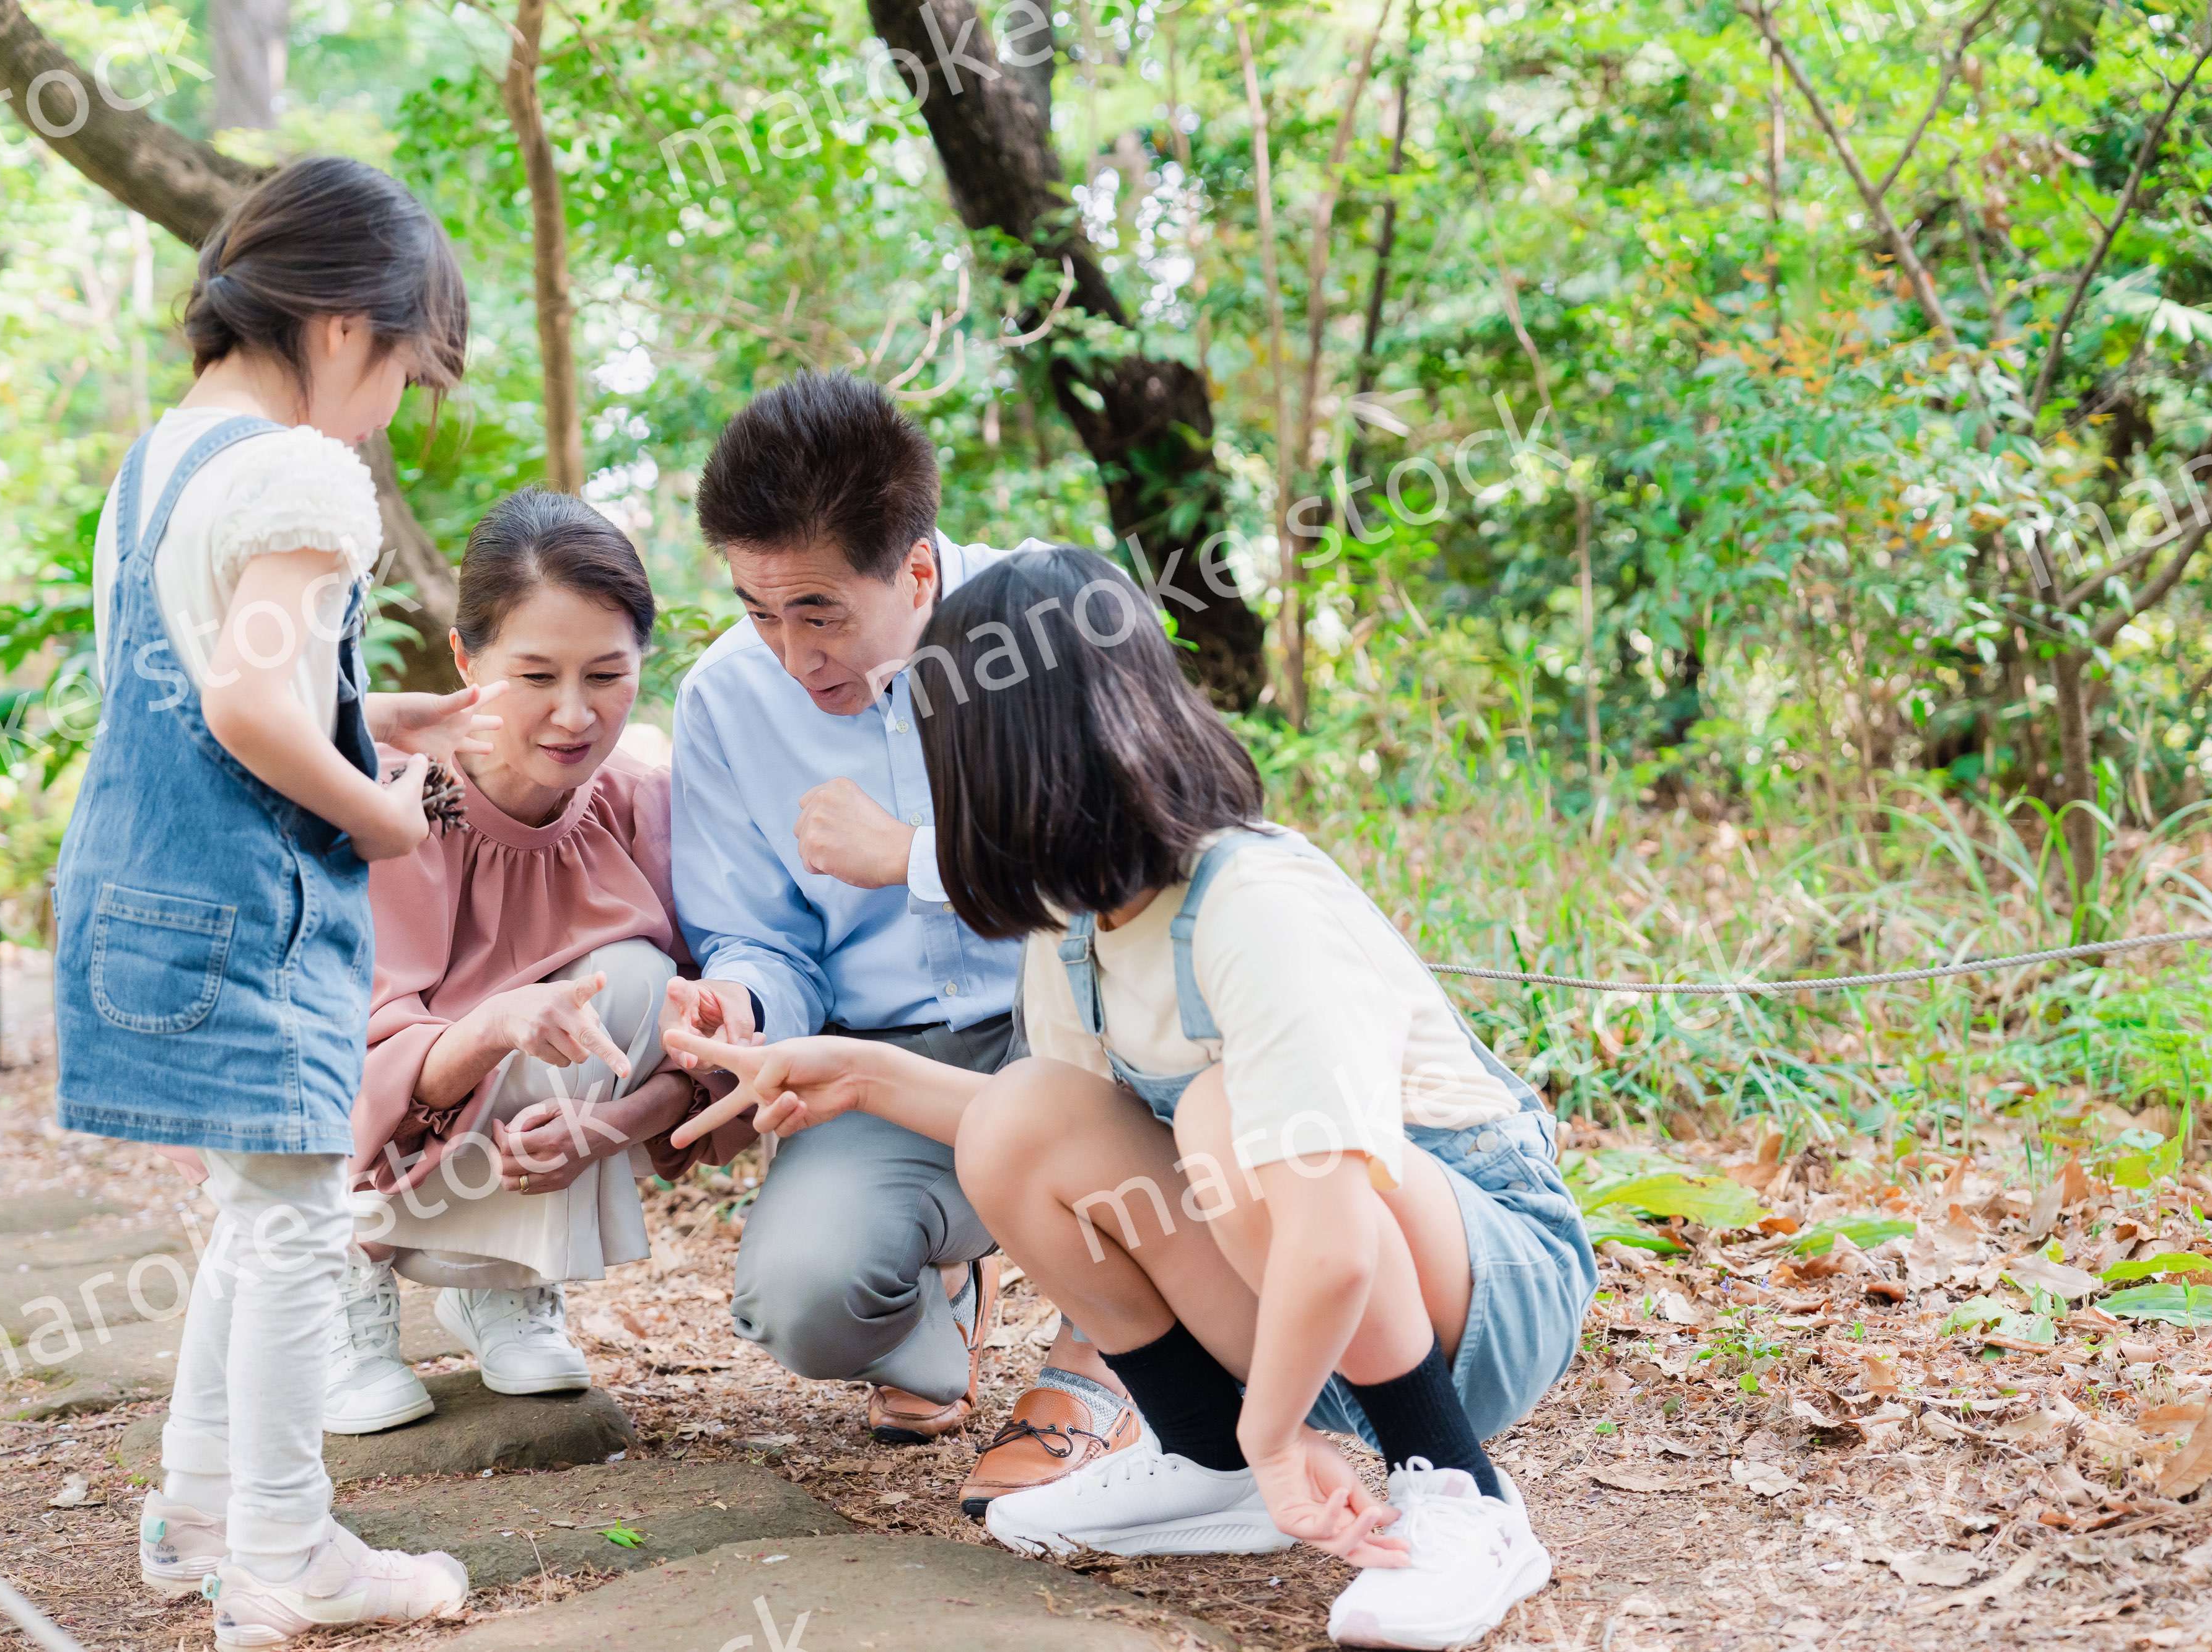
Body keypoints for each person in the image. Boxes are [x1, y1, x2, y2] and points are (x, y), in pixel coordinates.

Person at [662, 548, 1595, 1651]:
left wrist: (1280, 1433)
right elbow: (1063, 1142)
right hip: (1309, 1292)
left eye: (955, 764)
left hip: (1483, 1290)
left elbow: (1338, 1239)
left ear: (1026, 766)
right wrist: (853, 1073)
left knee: (1219, 1117)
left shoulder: (1253, 902)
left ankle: (1459, 1491)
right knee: (1024, 1116)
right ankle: (1207, 1460)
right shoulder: (1079, 922)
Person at [50, 157, 477, 1644]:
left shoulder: (163, 461)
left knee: (257, 1205)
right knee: (298, 1219)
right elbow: (245, 704)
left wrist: (378, 714)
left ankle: (198, 1509)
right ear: (347, 327)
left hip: (141, 894)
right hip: (250, 906)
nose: (392, 412)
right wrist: (385, 812)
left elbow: (210, 667)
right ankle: (290, 1548)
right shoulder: (305, 472)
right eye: (407, 373)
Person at [667, 372, 1139, 1508]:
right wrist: (742, 1003)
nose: (792, 656)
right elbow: (760, 937)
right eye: (758, 611)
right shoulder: (725, 700)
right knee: (802, 1300)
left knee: (1166, 1060)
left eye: (819, 613)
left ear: (917, 570)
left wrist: (916, 858)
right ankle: (944, 1298)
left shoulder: (1054, 620)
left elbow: (1140, 861)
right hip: (888, 1062)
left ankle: (1103, 1359)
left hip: (1085, 1027)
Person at [328, 487, 753, 1431]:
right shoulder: (379, 809)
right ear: (465, 661)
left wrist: (614, 1125)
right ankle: (340, 1283)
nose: (573, 715)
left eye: (606, 675)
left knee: (642, 978)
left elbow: (711, 1047)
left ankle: (503, 1277)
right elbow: (346, 1069)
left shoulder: (645, 809)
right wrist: (490, 1028)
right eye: (535, 676)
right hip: (361, 1151)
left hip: (509, 1152)